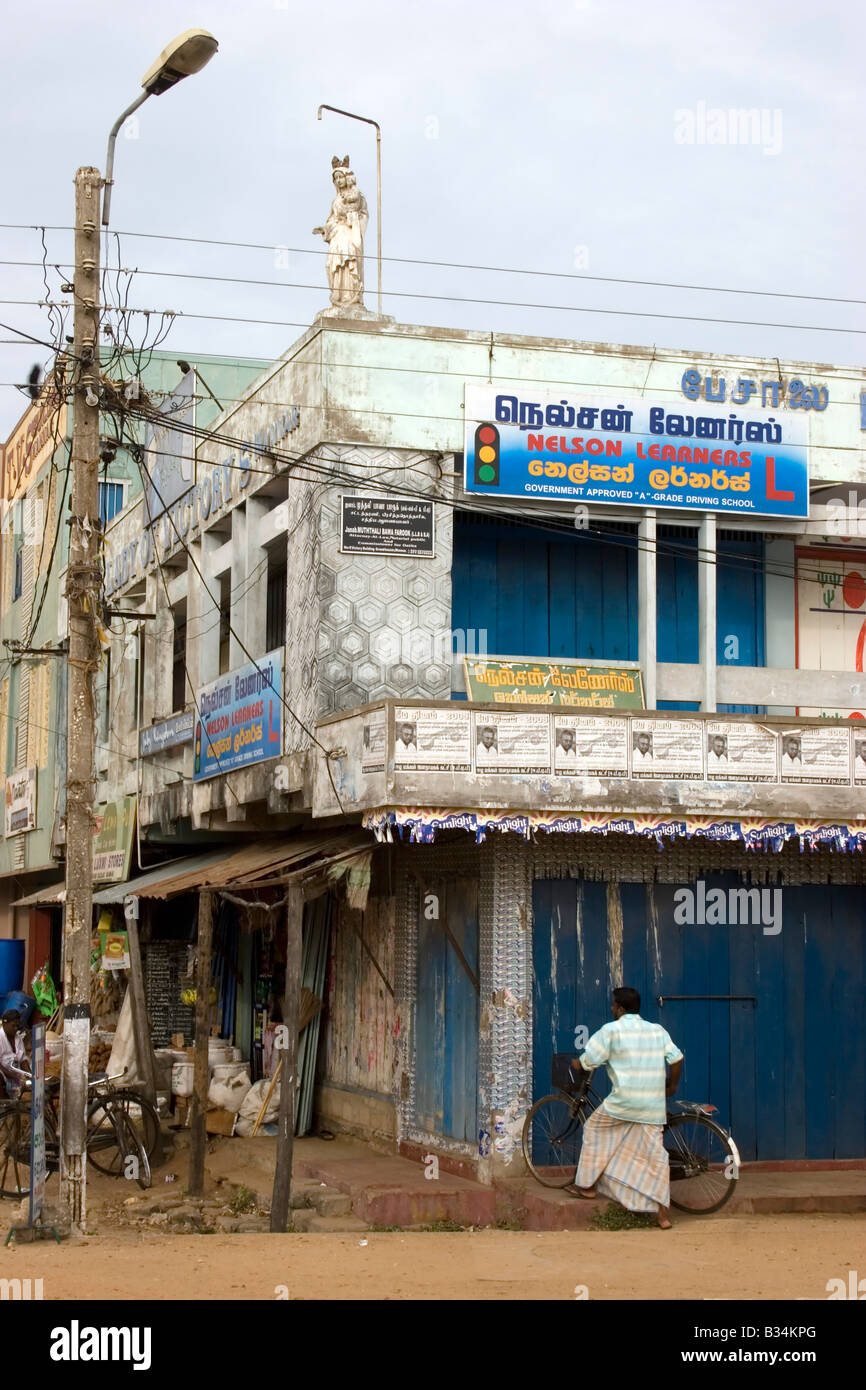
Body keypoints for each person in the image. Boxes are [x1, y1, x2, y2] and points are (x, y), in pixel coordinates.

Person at [569, 987, 683, 1230]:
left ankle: (587, 1186)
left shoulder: (611, 1030)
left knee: (593, 1129)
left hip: (623, 1103)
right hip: (652, 1105)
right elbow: (677, 1058)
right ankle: (663, 1215)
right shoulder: (657, 1030)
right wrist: (672, 1086)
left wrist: (577, 1063)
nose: (611, 1009)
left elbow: (590, 1060)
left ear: (620, 1008)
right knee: (656, 1156)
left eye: (613, 1005)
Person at [0, 1009, 30, 1098]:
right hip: (3, 1071)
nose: (16, 1028)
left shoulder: (18, 1038)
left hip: (15, 1070)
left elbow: (23, 1059)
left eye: (17, 1026)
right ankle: (3, 1106)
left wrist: (29, 1074)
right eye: (13, 1026)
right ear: (4, 1024)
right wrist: (14, 1076)